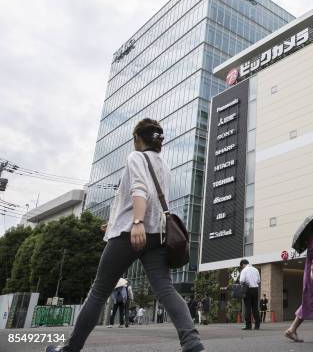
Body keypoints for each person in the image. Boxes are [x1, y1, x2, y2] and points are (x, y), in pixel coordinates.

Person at [46, 118, 204, 352]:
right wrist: (114, 223)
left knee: (98, 292)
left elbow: (140, 190)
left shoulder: (136, 157)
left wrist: (137, 222)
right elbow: (151, 199)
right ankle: (193, 344)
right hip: (157, 235)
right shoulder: (163, 164)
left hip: (131, 233)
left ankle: (71, 349)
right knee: (166, 289)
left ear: (137, 138)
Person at [239, 259, 261, 330]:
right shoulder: (256, 269)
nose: (242, 267)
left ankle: (248, 325)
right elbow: (258, 281)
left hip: (247, 289)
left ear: (243, 264)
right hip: (255, 289)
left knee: (248, 307)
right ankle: (257, 325)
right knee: (255, 307)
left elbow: (242, 280)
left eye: (241, 266)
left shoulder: (244, 270)